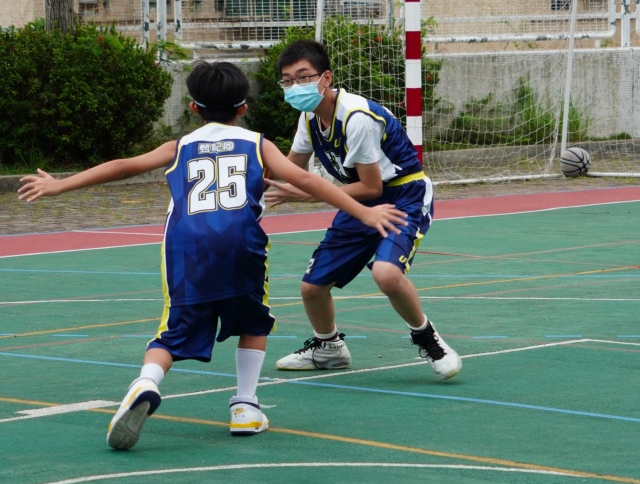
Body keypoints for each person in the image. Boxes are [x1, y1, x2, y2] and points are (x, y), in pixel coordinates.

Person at [18, 61, 407, 450]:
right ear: (243, 108)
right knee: (253, 322)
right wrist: (364, 212)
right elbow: (306, 180)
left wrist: (60, 185)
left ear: (193, 108)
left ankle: (147, 382)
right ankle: (245, 406)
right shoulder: (258, 144)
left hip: (187, 247)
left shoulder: (179, 147)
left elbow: (122, 168)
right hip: (242, 243)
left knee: (174, 331)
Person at [264, 39, 462, 379]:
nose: (295, 86)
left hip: (403, 195)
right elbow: (288, 169)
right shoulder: (308, 118)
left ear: (325, 78)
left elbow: (372, 187)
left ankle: (428, 337)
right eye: (287, 80)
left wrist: (310, 195)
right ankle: (329, 348)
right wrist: (244, 189)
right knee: (312, 288)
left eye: (303, 77)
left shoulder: (356, 118)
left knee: (386, 274)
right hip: (358, 200)